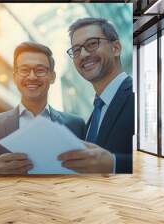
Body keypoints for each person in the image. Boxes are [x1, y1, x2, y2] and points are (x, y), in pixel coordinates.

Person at [0, 42, 86, 174]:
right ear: (15, 77)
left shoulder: (76, 125)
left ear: (52, 77)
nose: (32, 77)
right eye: (24, 70)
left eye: (40, 70)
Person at [62, 18, 134, 173]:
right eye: (76, 50)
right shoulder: (95, 114)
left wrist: (113, 164)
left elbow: (158, 159)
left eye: (92, 44)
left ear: (116, 48)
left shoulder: (136, 97)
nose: (83, 54)